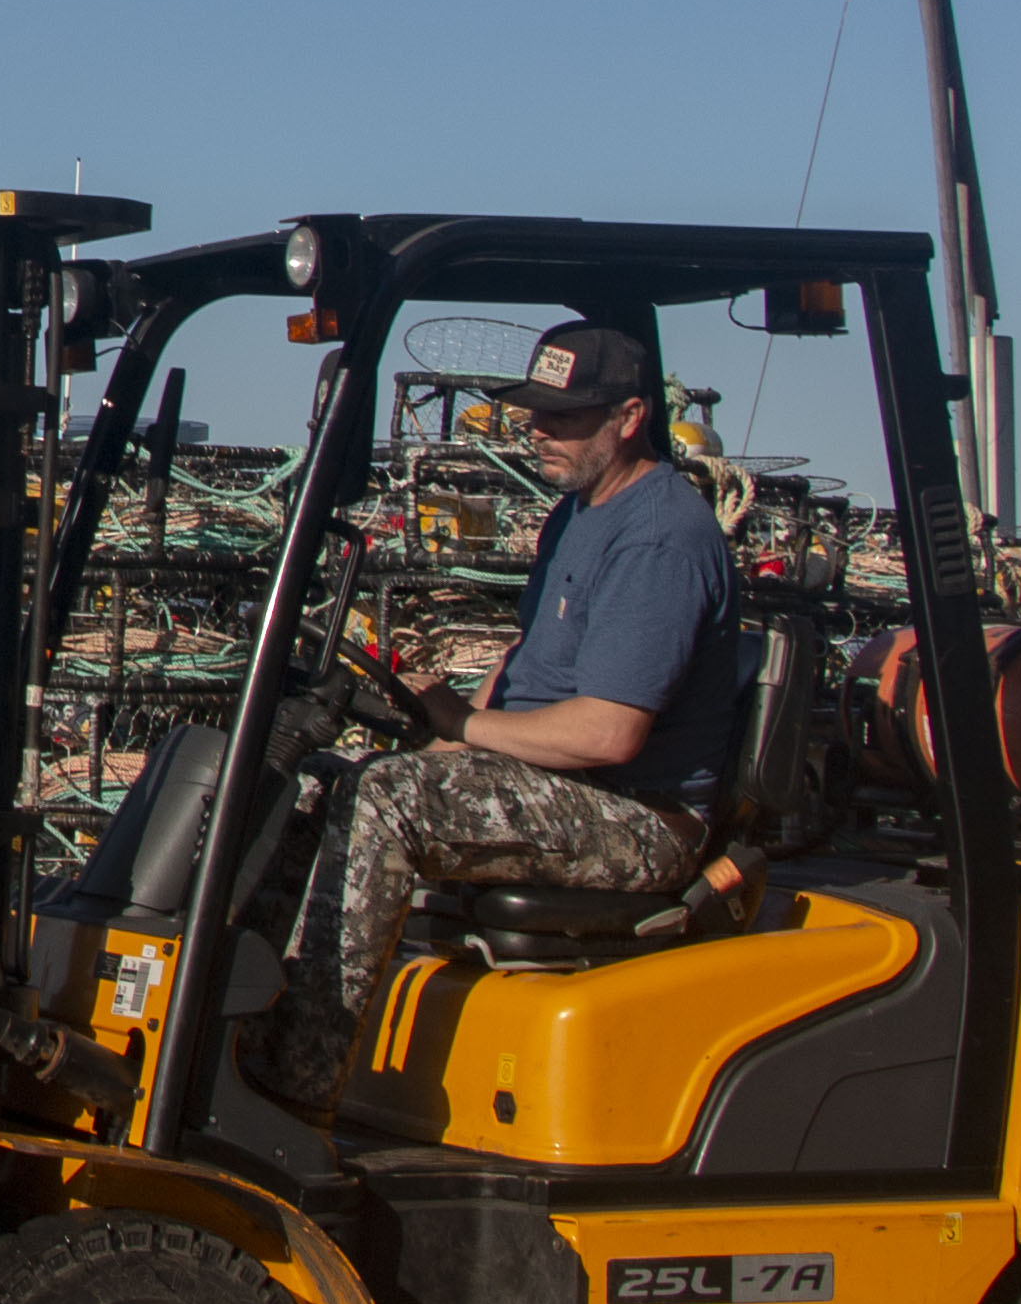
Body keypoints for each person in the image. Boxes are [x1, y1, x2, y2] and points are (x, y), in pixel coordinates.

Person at [249, 320, 739, 1113]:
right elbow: (528, 664)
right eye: (533, 411)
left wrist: (462, 730)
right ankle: (241, 1044)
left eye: (564, 416)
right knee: (306, 787)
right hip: (560, 784)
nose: (538, 430)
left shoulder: (660, 538)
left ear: (630, 416)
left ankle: (295, 1094)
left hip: (637, 816)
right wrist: (446, 712)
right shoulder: (578, 513)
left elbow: (608, 732)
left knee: (388, 802)